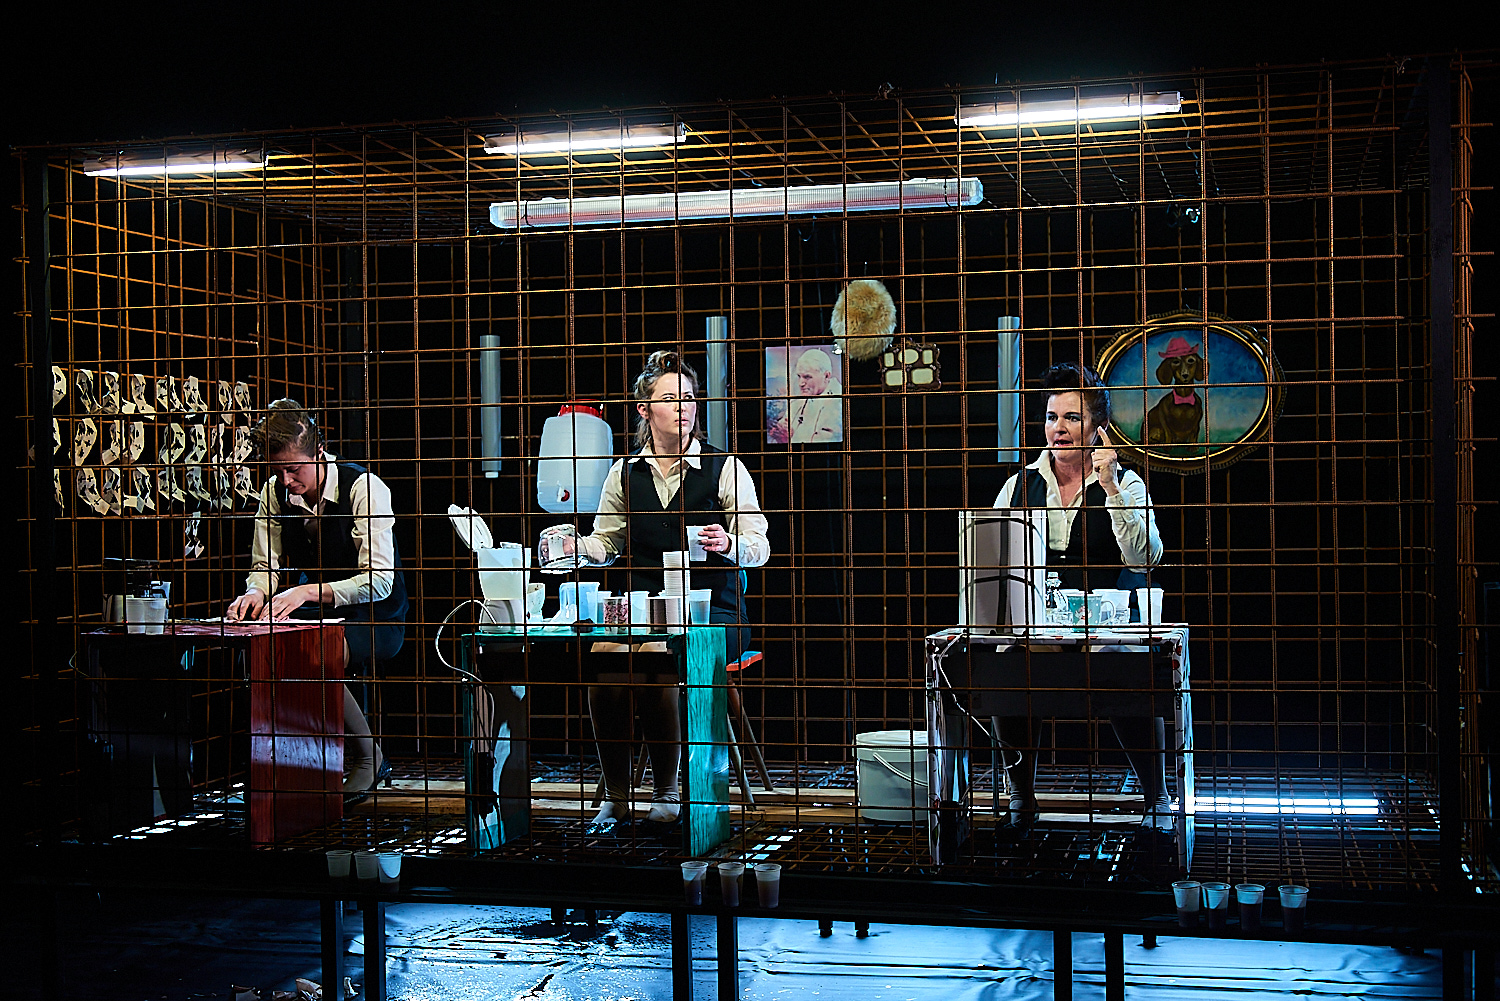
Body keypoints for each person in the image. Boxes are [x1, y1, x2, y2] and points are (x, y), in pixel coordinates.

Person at [575, 350, 771, 828]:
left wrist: (730, 543)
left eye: (689, 398)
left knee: (657, 659)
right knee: (604, 659)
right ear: (644, 410)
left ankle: (667, 790)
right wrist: (578, 548)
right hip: (647, 610)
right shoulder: (625, 472)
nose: (683, 407)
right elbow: (607, 542)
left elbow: (760, 545)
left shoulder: (724, 467)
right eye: (670, 399)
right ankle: (617, 796)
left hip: (715, 613)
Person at [993, 363, 1167, 837]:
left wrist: (1109, 486)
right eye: (1052, 417)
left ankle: (1157, 797)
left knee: (1123, 666)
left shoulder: (1126, 482)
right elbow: (995, 557)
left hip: (1108, 624)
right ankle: (1021, 797)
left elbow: (1145, 558)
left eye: (1072, 417)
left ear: (1098, 428)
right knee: (1007, 666)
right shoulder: (1019, 485)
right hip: (1039, 622)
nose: (1059, 428)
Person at [225, 400, 409, 804]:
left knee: (314, 652)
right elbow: (265, 565)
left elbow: (380, 581)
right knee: (257, 649)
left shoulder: (363, 488)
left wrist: (306, 591)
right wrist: (255, 592)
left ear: (318, 453)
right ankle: (286, 768)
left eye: (294, 469)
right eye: (277, 470)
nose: (286, 479)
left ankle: (370, 757)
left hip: (376, 613)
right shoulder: (273, 493)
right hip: (321, 609)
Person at [784, 348, 842, 443]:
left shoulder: (839, 403)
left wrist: (788, 438)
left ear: (826, 376)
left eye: (807, 377)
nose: (800, 383)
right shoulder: (796, 402)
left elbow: (826, 442)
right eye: (799, 376)